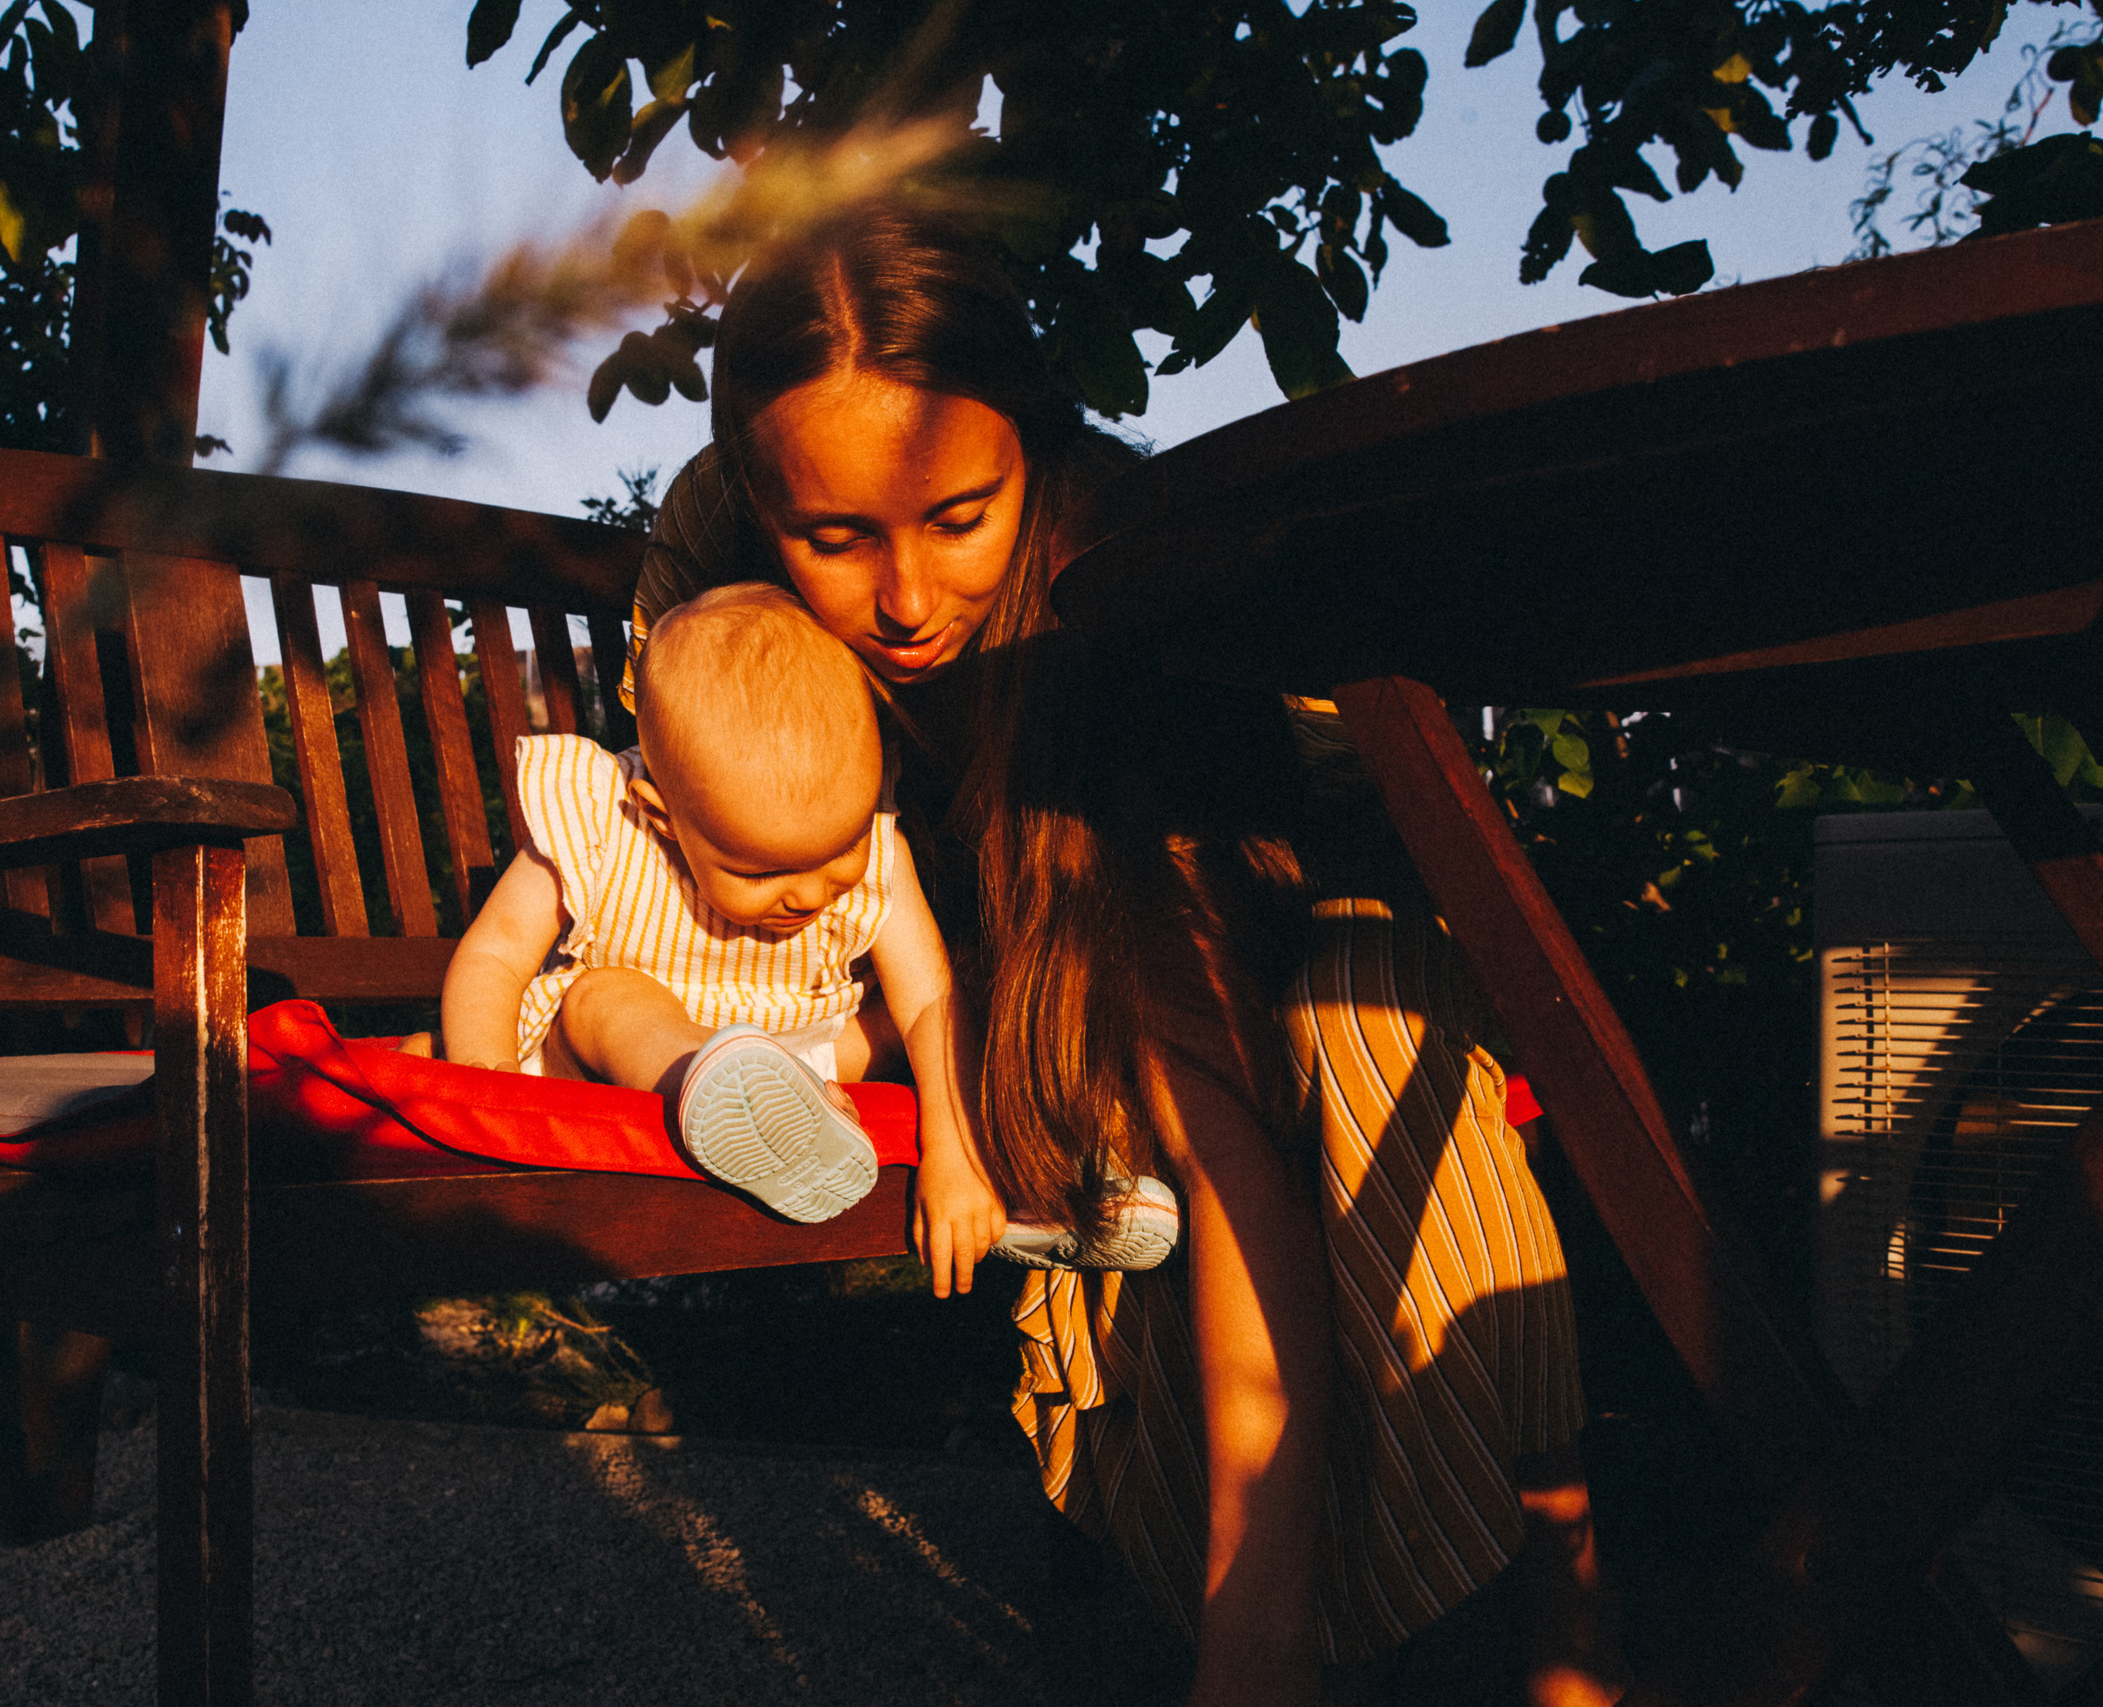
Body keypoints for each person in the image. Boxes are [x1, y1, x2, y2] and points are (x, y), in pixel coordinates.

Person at [620, 200, 1624, 1707]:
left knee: (1364, 1048)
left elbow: (1217, 1111)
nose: (903, 600)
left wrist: (1249, 1660)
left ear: (1032, 455)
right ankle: (1322, 1600)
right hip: (970, 935)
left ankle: (1524, 1587)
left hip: (1245, 865)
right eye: (834, 538)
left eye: (960, 516)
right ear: (762, 511)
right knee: (1114, 1087)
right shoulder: (709, 552)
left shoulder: (1115, 576)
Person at [439, 581, 1015, 1289]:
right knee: (605, 996)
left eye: (840, 850)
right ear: (662, 817)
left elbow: (928, 999)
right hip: (620, 1062)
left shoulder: (871, 836)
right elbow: (496, 953)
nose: (809, 890)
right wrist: (484, 1083)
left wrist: (953, 1154)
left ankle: (1043, 1175)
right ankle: (714, 1084)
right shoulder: (605, 825)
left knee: (928, 1015)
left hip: (801, 1057)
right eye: (762, 869)